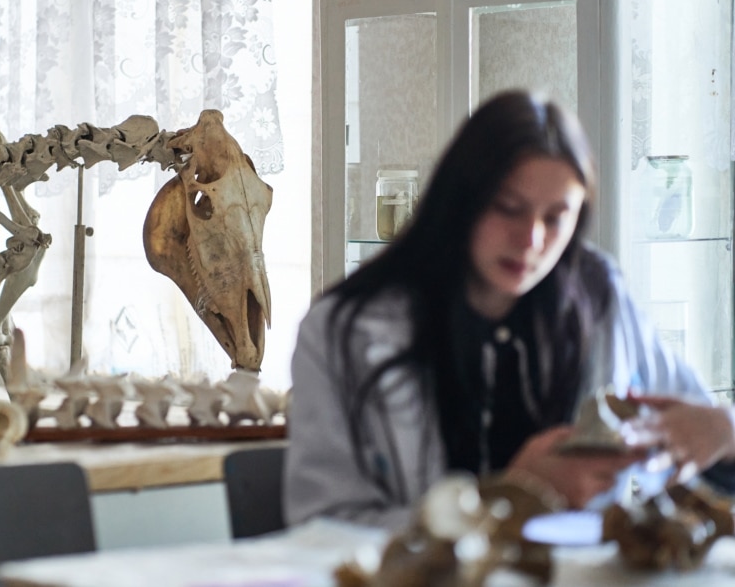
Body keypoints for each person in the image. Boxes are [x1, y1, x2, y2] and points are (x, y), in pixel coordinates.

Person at [284, 90, 735, 531]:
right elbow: (321, 530)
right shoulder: (344, 329)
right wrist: (504, 498)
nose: (531, 240)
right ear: (460, 200)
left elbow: (698, 452)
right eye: (508, 208)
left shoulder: (600, 296)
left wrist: (723, 430)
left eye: (556, 217)